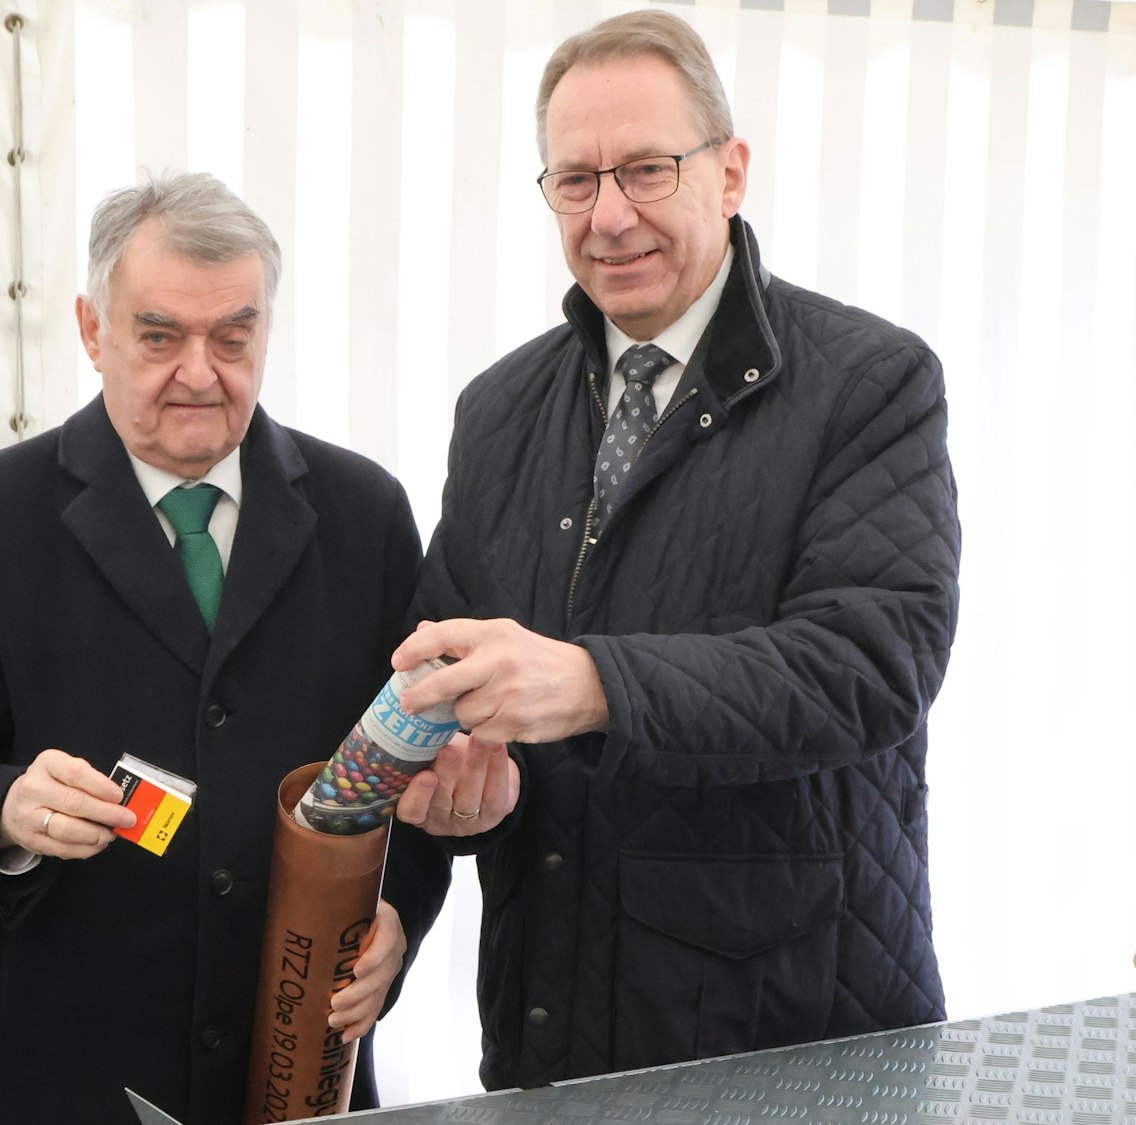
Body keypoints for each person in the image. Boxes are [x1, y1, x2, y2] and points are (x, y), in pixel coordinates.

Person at [392, 9, 961, 1090]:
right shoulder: (497, 407)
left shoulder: (869, 382)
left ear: (729, 171)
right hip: (546, 1029)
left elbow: (871, 665)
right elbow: (443, 672)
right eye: (573, 180)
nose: (607, 216)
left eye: (645, 170)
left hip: (793, 1032)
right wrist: (461, 786)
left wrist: (594, 683)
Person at [0, 173, 458, 1125]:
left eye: (233, 336)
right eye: (159, 335)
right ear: (93, 330)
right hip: (65, 1074)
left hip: (299, 1069)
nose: (200, 370)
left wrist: (402, 921)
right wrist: (3, 811)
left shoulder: (366, 514)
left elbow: (415, 768)